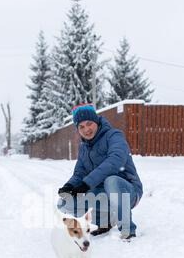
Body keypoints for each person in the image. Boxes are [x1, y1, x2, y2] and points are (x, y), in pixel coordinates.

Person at [58, 103, 143, 240]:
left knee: (111, 181)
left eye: (89, 123)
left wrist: (87, 184)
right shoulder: (84, 147)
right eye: (81, 127)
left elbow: (115, 161)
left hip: (127, 191)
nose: (86, 129)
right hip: (103, 194)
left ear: (96, 121)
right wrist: (69, 186)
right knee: (64, 203)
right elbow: (79, 173)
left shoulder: (114, 136)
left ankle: (127, 230)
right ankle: (104, 222)